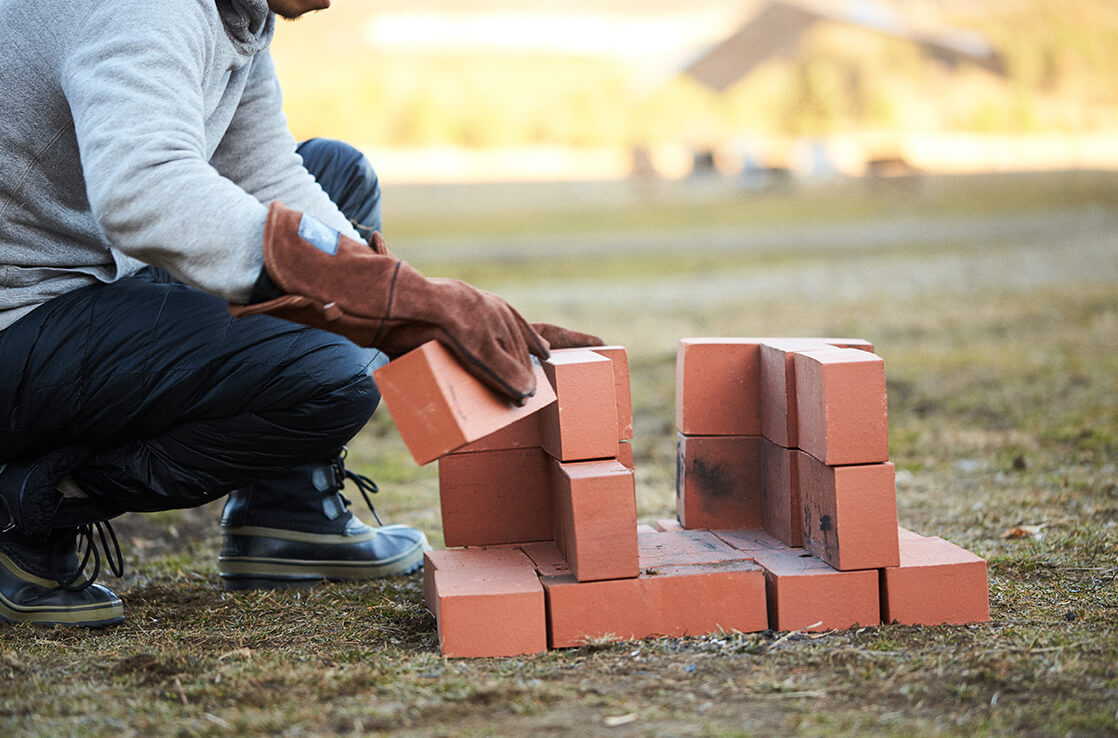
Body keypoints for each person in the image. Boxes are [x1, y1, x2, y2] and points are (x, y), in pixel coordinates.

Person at [0, 0, 598, 627]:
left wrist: (415, 305)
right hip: (19, 318)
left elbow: (268, 176)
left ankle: (286, 514)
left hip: (89, 291)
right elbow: (144, 192)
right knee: (330, 377)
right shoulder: (149, 9)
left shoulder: (237, 16)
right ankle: (27, 510)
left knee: (338, 176)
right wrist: (389, 305)